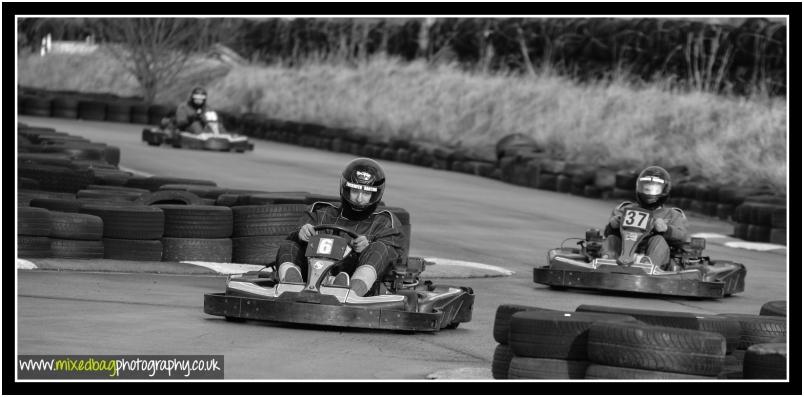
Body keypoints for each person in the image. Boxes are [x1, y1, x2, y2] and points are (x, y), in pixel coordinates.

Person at [274, 158, 404, 297]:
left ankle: (352, 291)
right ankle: (291, 285)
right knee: (289, 244)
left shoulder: (385, 221)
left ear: (376, 194)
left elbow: (393, 256)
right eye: (355, 191)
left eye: (366, 193)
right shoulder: (321, 212)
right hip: (310, 277)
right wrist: (301, 233)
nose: (359, 199)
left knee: (379, 248)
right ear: (345, 189)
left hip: (354, 281)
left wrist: (367, 247)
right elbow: (294, 239)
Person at [600, 166, 690, 269]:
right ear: (639, 187)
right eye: (646, 188)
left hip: (657, 258)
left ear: (665, 190)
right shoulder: (624, 209)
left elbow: (682, 237)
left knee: (658, 239)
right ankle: (606, 262)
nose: (649, 193)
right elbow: (607, 234)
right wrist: (612, 225)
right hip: (621, 253)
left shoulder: (673, 214)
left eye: (655, 189)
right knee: (612, 238)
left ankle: (647, 265)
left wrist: (666, 229)